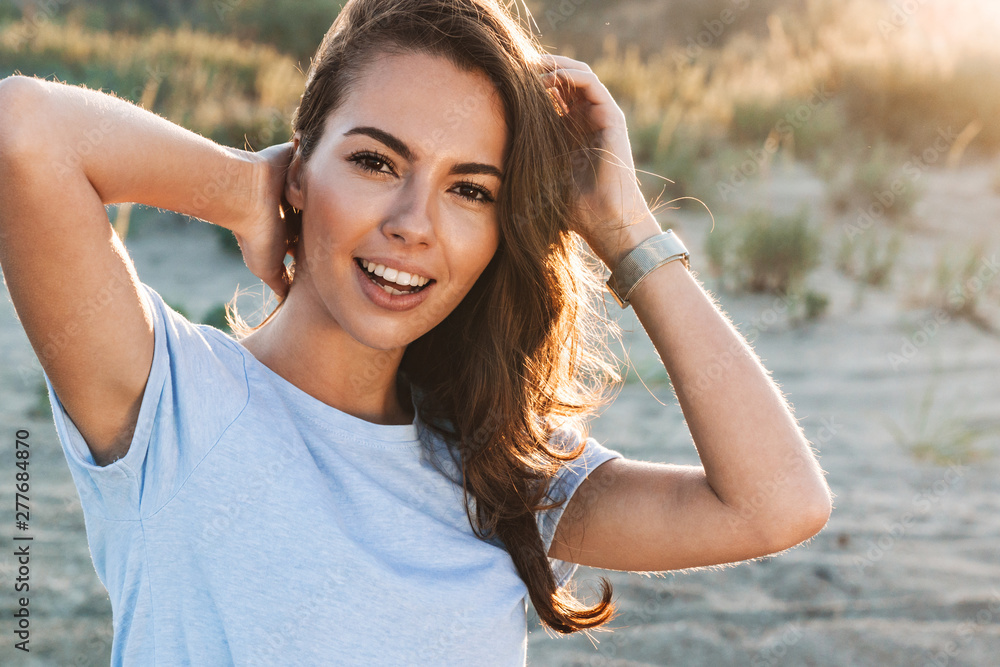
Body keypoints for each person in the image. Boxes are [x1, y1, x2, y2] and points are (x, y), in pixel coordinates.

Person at [0, 0, 832, 664]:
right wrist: (238, 192)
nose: (413, 224)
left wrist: (623, 225)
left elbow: (777, 503)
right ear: (300, 164)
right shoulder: (166, 400)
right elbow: (23, 130)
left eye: (470, 190)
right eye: (375, 162)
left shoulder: (500, 473)